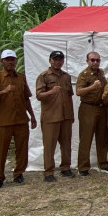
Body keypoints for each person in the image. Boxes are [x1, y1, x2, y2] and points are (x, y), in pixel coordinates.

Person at [0, 49, 37, 189]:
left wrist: (32, 116)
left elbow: (26, 98)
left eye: (12, 59)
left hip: (20, 119)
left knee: (22, 148)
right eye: (7, 59)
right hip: (3, 121)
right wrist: (4, 91)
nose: (10, 62)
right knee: (1, 150)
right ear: (2, 61)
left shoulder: (21, 77)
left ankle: (19, 173)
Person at [35, 50, 75, 182]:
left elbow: (69, 96)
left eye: (60, 59)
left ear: (63, 61)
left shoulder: (66, 76)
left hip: (65, 116)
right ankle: (49, 171)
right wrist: (51, 92)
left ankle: (65, 168)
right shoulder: (44, 76)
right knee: (49, 145)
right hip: (51, 116)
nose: (58, 62)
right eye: (55, 59)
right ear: (50, 61)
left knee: (66, 144)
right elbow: (39, 96)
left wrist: (71, 115)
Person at [75, 51, 108, 176]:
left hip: (102, 108)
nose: (95, 62)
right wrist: (92, 87)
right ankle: (83, 167)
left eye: (97, 60)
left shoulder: (101, 73)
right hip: (88, 108)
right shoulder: (84, 75)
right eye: (92, 60)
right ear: (87, 61)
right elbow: (78, 92)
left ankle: (103, 163)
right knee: (86, 137)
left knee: (103, 137)